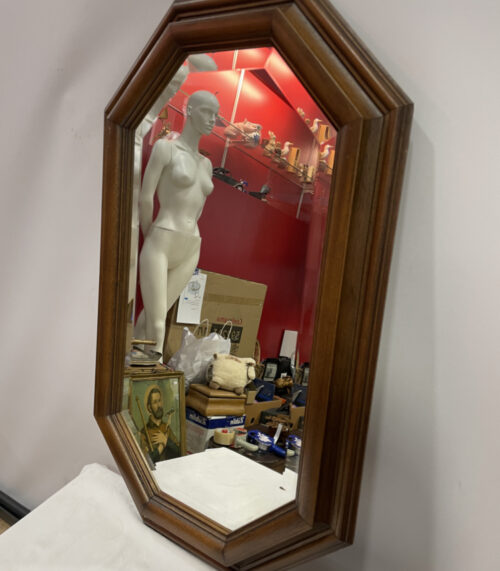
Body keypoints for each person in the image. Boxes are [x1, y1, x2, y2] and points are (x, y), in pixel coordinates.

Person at [135, 90, 220, 359]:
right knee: (158, 325)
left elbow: (199, 209)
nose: (212, 119)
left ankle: (132, 360)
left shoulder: (207, 164)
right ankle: (152, 370)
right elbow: (145, 197)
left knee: (152, 315)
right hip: (162, 239)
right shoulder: (166, 149)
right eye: (207, 112)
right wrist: (149, 236)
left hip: (191, 246)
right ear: (190, 110)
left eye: (216, 115)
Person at [139, 386, 180, 463]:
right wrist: (161, 447)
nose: (159, 405)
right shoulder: (144, 432)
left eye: (159, 401)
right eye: (155, 402)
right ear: (149, 407)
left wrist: (166, 441)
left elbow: (179, 452)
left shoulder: (166, 427)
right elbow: (145, 461)